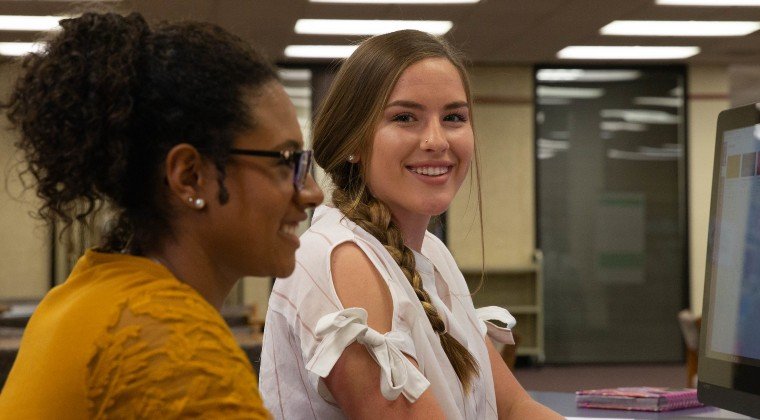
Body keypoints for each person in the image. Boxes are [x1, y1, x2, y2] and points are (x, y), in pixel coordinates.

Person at [0, 12, 322, 418]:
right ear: (190, 176)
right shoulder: (173, 346)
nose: (312, 193)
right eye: (287, 160)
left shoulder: (86, 292)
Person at [259, 30, 561, 419]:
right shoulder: (340, 258)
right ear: (353, 140)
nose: (436, 140)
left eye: (454, 117)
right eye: (405, 117)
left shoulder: (430, 253)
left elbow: (517, 407)